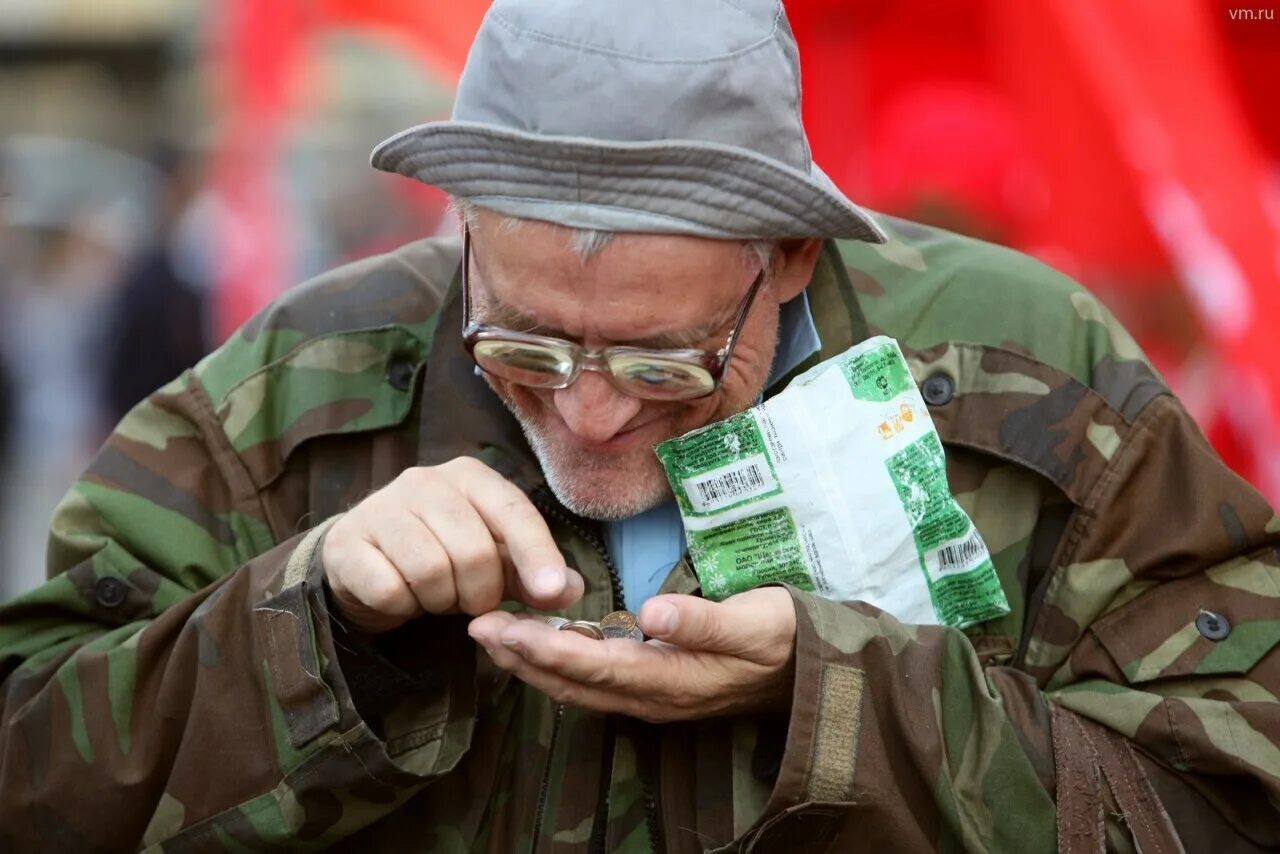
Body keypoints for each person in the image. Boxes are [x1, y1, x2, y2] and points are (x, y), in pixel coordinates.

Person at [1, 1, 1277, 850]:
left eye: (665, 361)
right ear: (462, 236)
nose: (591, 408)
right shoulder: (291, 388)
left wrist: (837, 694)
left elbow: (1230, 792)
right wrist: (314, 621)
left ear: (783, 258)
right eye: (522, 345)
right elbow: (35, 772)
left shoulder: (1031, 372)